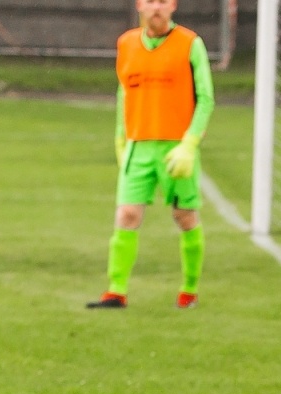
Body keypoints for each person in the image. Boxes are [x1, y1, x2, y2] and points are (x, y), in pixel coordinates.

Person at [86, 0, 214, 310]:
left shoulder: (190, 44)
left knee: (185, 216)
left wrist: (189, 144)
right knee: (126, 215)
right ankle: (116, 291)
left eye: (163, 2)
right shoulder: (126, 43)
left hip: (176, 148)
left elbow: (206, 98)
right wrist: (121, 138)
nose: (156, 8)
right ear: (139, 6)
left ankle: (189, 290)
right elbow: (124, 92)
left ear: (173, 6)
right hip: (138, 146)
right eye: (150, 1)